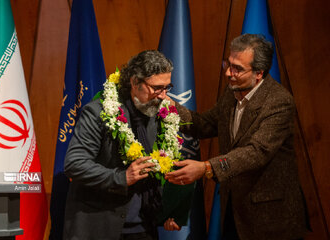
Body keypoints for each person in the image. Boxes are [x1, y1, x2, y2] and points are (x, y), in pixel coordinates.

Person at [164, 34, 308, 239]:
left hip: (271, 217)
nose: (228, 73)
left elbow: (256, 152)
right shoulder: (232, 92)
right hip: (235, 209)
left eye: (238, 68)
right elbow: (203, 125)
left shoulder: (279, 102)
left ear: (259, 73)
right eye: (228, 64)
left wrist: (206, 168)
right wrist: (169, 107)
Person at [63, 50, 177, 240]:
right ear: (134, 82)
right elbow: (74, 164)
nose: (163, 96)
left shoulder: (162, 114)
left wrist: (170, 208)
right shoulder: (99, 112)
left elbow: (161, 165)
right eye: (157, 88)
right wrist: (121, 177)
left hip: (144, 228)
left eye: (167, 87)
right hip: (100, 227)